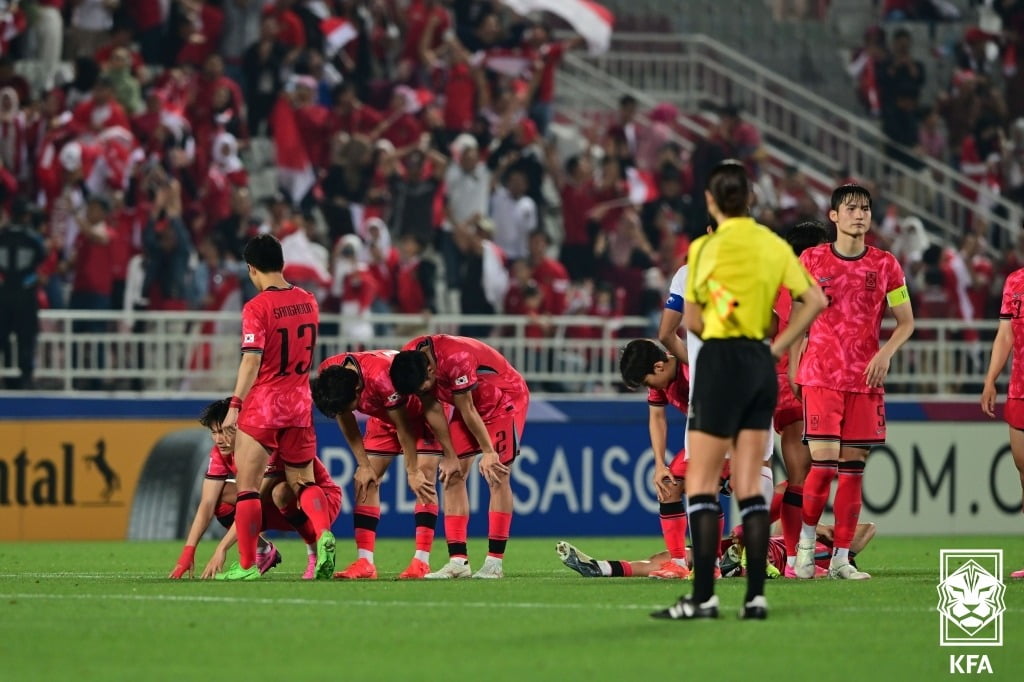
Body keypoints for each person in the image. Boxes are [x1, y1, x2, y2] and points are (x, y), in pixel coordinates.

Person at [652, 160, 826, 622]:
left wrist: (721, 322)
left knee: (705, 485)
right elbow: (814, 300)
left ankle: (705, 597)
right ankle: (754, 597)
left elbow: (690, 321)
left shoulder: (705, 249)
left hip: (717, 364)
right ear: (750, 200)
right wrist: (781, 346)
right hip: (758, 364)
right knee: (752, 485)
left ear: (712, 201)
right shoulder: (771, 246)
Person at [792, 185, 915, 582]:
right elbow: (798, 317)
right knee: (824, 466)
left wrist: (885, 354)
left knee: (853, 469)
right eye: (851, 208)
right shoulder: (810, 259)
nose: (859, 214)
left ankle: (841, 558)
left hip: (865, 378)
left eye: (864, 208)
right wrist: (796, 367)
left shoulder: (885, 265)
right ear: (834, 216)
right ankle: (806, 548)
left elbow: (906, 321)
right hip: (821, 375)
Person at [215, 234, 334, 581]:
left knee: (248, 488)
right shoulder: (309, 301)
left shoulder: (256, 307)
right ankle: (324, 533)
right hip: (299, 403)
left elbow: (251, 361)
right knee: (303, 481)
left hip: (266, 404)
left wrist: (235, 405)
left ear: (252, 269)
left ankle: (249, 565)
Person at [390, 335, 530, 579]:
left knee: (496, 474)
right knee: (451, 475)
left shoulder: (456, 358)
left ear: (431, 369)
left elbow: (467, 409)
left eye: (423, 387)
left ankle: (494, 563)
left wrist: (488, 452)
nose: (423, 392)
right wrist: (450, 456)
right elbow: (433, 408)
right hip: (470, 404)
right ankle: (458, 562)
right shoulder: (411, 359)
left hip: (503, 400)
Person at [311, 351, 458, 579]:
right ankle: (365, 562)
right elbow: (345, 417)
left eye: (351, 406)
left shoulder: (381, 378)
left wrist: (412, 470)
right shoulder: (332, 374)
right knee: (364, 480)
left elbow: (404, 428)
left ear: (358, 390)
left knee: (424, 476)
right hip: (383, 417)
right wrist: (363, 464)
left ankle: (421, 561)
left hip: (420, 414)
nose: (349, 411)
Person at [168, 398, 342, 580]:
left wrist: (222, 548)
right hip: (279, 508)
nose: (219, 439)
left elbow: (255, 500)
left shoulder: (265, 447)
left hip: (319, 505)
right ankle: (263, 550)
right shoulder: (220, 452)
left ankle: (315, 554)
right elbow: (207, 504)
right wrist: (188, 552)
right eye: (214, 433)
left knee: (279, 491)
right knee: (220, 499)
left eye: (224, 431)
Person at [773, 220, 831, 577]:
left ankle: (794, 554)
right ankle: (796, 558)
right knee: (802, 473)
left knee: (805, 472)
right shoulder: (792, 286)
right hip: (788, 381)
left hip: (790, 380)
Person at [556, 522, 876, 579]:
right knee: (672, 557)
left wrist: (825, 532)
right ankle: (601, 567)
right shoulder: (795, 538)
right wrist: (813, 525)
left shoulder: (826, 554)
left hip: (766, 561)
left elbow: (868, 529)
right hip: (745, 543)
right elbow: (779, 526)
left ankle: (733, 566)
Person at [619, 339, 692, 579]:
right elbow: (657, 418)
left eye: (646, 382)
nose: (649, 387)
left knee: (705, 489)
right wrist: (660, 464)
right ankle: (679, 563)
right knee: (669, 486)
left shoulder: (692, 368)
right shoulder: (661, 380)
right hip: (702, 435)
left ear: (659, 367)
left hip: (735, 431)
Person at [981, 264, 1024, 579]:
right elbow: (1006, 334)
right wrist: (990, 379)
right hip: (1020, 389)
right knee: (1023, 472)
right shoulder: (1015, 282)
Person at [0, 199, 46, 389]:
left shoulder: (2, 235)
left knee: (4, 337)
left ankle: (9, 378)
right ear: (27, 216)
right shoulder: (33, 238)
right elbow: (42, 260)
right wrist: (28, 281)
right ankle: (25, 378)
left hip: (4, 294)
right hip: (25, 295)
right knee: (26, 338)